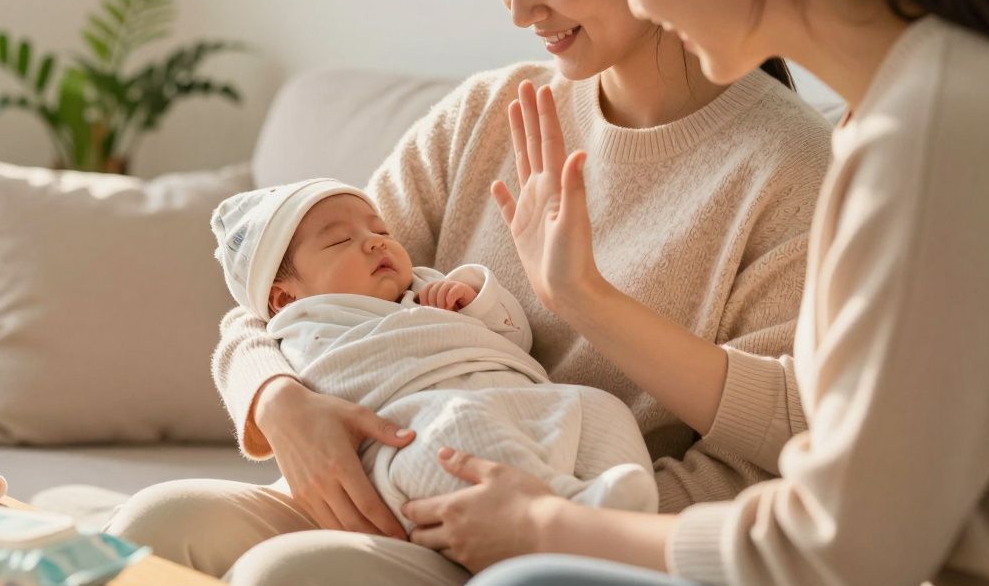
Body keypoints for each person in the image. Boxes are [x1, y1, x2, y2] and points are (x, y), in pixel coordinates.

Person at [104, 0, 834, 586]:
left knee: (285, 580)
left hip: (564, 540)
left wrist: (560, 518)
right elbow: (281, 283)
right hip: (384, 475)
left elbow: (767, 459)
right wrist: (277, 401)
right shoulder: (484, 113)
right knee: (153, 526)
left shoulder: (792, 167)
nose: (519, 9)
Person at [445, 0, 989, 586]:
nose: (638, 5)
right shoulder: (898, 111)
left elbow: (839, 560)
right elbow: (815, 421)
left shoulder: (929, 137)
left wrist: (550, 526)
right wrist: (581, 297)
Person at [209, 179, 657, 532]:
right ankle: (568, 508)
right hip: (412, 435)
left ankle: (624, 516)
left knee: (600, 408)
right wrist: (275, 398)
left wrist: (472, 300)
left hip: (519, 401)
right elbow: (330, 386)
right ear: (284, 299)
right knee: (457, 429)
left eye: (380, 230)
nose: (374, 242)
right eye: (339, 241)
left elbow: (515, 338)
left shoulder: (425, 288)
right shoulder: (306, 326)